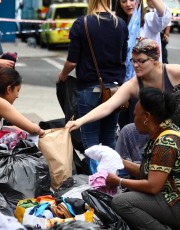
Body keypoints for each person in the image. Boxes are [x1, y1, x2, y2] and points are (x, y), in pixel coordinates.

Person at [108, 87, 180, 230]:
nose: (133, 119)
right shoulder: (166, 131)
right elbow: (149, 172)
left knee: (121, 202)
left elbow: (153, 186)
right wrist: (119, 161)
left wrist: (118, 181)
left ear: (146, 117)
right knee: (131, 194)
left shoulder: (165, 143)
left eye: (135, 114)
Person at [66, 37, 180, 162]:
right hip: (154, 132)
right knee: (128, 130)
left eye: (141, 61)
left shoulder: (177, 72)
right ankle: (121, 173)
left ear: (155, 60)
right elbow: (108, 106)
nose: (135, 65)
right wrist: (79, 122)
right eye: (133, 60)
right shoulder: (134, 84)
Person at [58, 0, 128, 173]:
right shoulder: (120, 23)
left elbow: (72, 60)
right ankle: (112, 178)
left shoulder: (82, 23)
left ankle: (97, 182)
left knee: (90, 141)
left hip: (90, 88)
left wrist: (63, 75)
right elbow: (123, 57)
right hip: (115, 90)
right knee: (109, 137)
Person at [116, 0, 171, 128]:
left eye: (132, 0)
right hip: (123, 83)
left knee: (143, 127)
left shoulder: (149, 20)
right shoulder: (118, 24)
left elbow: (164, 16)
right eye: (124, 1)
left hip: (147, 85)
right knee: (124, 128)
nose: (129, 4)